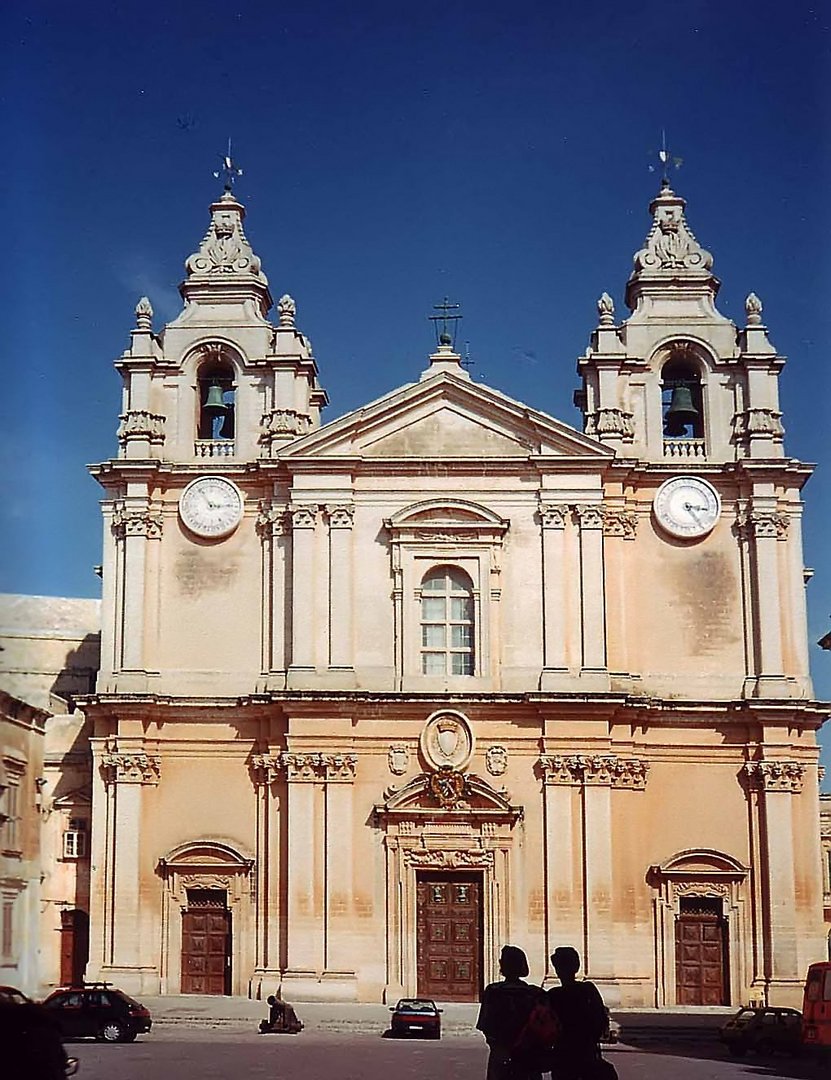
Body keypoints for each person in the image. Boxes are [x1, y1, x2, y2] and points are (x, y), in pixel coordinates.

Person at [477, 944, 551, 1080]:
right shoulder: (536, 994)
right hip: (529, 1056)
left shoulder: (493, 992)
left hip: (502, 1055)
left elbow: (485, 1025)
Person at [547, 946, 608, 1080]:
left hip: (562, 1053)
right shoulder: (588, 989)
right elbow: (601, 1018)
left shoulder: (553, 995)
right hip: (587, 1050)